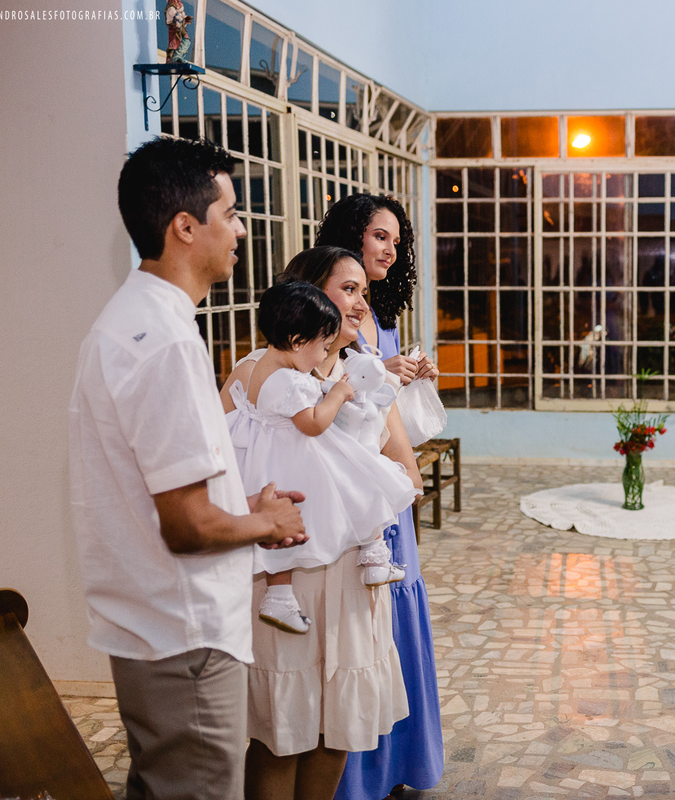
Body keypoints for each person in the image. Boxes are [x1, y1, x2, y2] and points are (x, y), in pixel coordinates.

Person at [69, 136, 308, 800]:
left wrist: (244, 501)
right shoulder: (165, 341)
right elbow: (187, 525)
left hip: (153, 625)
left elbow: (170, 489)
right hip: (187, 638)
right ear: (185, 227)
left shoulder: (132, 322)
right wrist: (264, 520)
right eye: (229, 212)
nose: (241, 227)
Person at [219, 246, 422, 800]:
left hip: (354, 573)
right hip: (289, 567)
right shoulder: (259, 372)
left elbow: (404, 464)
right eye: (349, 290)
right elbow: (215, 461)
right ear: (311, 296)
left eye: (364, 291)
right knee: (281, 731)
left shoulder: (365, 375)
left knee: (340, 729)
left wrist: (379, 478)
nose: (361, 304)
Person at [317, 194, 445, 799]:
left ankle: (398, 764)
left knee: (398, 608)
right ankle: (357, 778)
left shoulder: (380, 313)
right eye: (378, 237)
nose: (390, 250)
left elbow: (387, 400)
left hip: (389, 480)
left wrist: (408, 372)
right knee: (361, 622)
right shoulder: (326, 309)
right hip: (350, 485)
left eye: (397, 240)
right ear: (349, 238)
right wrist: (381, 371)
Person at [226, 280, 418, 635]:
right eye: (323, 346)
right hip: (295, 457)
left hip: (269, 462)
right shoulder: (288, 379)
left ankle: (280, 597)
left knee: (284, 537)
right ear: (299, 342)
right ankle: (374, 555)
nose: (323, 355)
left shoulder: (264, 367)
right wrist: (340, 394)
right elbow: (312, 423)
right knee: (361, 481)